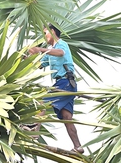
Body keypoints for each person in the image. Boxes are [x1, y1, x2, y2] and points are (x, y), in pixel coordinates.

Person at [27, 24, 84, 154]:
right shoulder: (49, 51)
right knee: (66, 117)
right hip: (65, 84)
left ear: (52, 32)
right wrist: (26, 59)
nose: (45, 36)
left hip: (66, 82)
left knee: (43, 100)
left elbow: (60, 53)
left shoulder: (61, 44)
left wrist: (40, 50)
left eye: (46, 33)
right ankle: (78, 146)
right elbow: (39, 66)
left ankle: (33, 132)